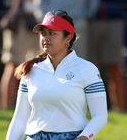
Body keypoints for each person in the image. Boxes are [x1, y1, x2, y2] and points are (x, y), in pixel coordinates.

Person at [6, 10, 108, 140]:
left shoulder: (87, 69)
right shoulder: (30, 70)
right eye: (43, 33)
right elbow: (20, 118)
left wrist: (84, 137)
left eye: (52, 33)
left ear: (68, 38)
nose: (46, 38)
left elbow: (100, 116)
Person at [0, 0, 39, 109]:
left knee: (38, 66)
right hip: (20, 21)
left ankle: (32, 107)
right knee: (13, 65)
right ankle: (5, 107)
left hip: (39, 20)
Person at [33, 0, 99, 61]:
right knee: (49, 61)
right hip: (53, 22)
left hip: (78, 22)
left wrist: (87, 16)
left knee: (79, 60)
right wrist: (43, 17)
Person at [88, 0, 127, 112]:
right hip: (91, 21)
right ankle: (90, 110)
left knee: (114, 67)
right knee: (91, 68)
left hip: (115, 21)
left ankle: (119, 110)